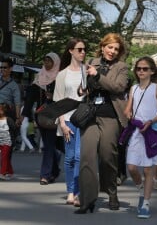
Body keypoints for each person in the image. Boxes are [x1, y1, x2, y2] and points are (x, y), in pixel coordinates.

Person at [75, 33, 128, 214]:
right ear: (103, 46)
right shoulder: (91, 61)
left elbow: (118, 87)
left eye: (116, 49)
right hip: (89, 115)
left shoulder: (121, 67)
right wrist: (82, 88)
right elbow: (84, 86)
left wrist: (97, 75)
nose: (112, 51)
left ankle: (112, 192)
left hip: (110, 116)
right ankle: (87, 200)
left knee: (107, 156)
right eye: (110, 47)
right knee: (86, 156)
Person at [124, 56, 157, 219]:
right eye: (138, 68)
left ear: (152, 71)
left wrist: (150, 121)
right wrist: (128, 114)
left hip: (152, 132)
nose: (141, 71)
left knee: (149, 169)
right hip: (136, 132)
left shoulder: (156, 88)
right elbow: (128, 109)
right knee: (132, 167)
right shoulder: (133, 88)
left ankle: (146, 203)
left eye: (145, 69)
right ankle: (141, 189)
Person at [53, 38, 86, 207]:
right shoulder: (62, 74)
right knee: (70, 158)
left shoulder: (86, 71)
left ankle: (79, 192)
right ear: (71, 51)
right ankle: (70, 192)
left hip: (84, 120)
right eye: (79, 49)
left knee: (80, 156)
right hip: (67, 120)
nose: (83, 52)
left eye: (84, 49)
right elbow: (58, 101)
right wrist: (62, 124)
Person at [21, 52, 61, 185]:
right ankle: (52, 171)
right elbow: (30, 99)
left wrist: (52, 96)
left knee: (49, 145)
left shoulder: (60, 78)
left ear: (55, 62)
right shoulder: (39, 77)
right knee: (49, 145)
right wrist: (25, 115)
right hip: (41, 116)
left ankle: (46, 174)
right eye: (45, 60)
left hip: (56, 116)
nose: (47, 63)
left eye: (49, 61)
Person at [0, 58, 22, 126]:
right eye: (1, 67)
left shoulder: (14, 86)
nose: (2, 69)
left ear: (10, 69)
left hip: (4, 112)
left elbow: (17, 103)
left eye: (5, 67)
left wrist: (18, 118)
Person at [0, 103, 18, 180]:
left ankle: (2, 173)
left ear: (4, 111)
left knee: (4, 158)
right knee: (5, 158)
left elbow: (14, 129)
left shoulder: (8, 120)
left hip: (7, 142)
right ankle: (10, 172)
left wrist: (13, 140)